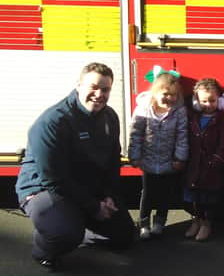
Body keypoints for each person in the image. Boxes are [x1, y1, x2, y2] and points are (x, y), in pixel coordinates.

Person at [15, 62, 135, 270]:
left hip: (86, 188)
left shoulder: (109, 117)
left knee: (125, 236)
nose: (99, 94)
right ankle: (45, 248)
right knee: (65, 233)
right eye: (93, 87)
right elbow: (54, 179)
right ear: (78, 86)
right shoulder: (53, 122)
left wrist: (107, 196)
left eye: (105, 89)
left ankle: (75, 224)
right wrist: (93, 206)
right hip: (44, 189)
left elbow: (112, 162)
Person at [128, 70, 188, 240]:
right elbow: (136, 133)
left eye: (174, 95)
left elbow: (182, 136)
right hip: (148, 161)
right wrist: (134, 156)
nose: (169, 98)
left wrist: (180, 158)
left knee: (165, 195)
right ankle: (144, 224)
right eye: (165, 94)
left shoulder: (179, 112)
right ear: (155, 91)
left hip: (168, 162)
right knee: (147, 193)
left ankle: (159, 223)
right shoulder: (143, 109)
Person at [183, 78, 224, 242]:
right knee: (194, 196)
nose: (208, 104)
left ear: (220, 100)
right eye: (203, 101)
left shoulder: (222, 119)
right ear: (196, 101)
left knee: (208, 197)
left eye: (212, 100)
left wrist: (217, 160)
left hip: (211, 166)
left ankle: (206, 223)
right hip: (195, 165)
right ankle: (196, 220)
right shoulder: (193, 117)